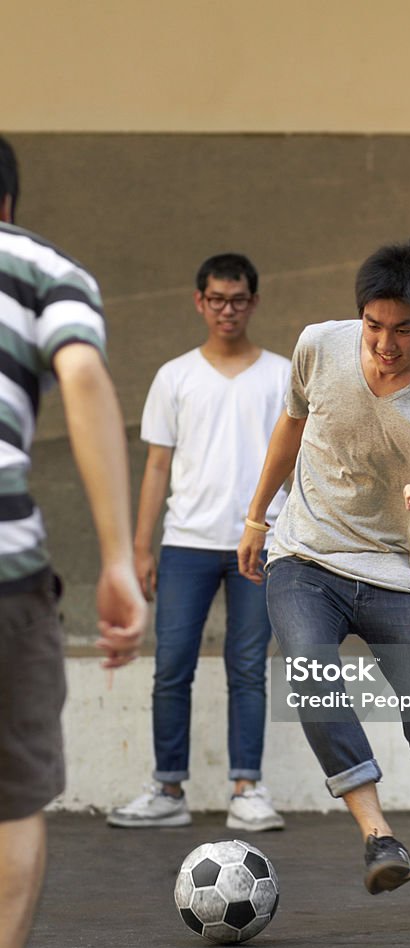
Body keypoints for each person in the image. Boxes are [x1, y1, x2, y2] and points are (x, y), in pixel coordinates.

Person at [238, 238, 410, 935]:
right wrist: (255, 518)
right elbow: (288, 430)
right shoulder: (318, 347)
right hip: (307, 556)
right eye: (373, 326)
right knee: (311, 675)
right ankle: (378, 837)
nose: (384, 344)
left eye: (403, 330)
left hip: (396, 576)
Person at [0, 136, 147, 948]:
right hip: (3, 576)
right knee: (11, 805)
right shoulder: (38, 268)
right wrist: (120, 561)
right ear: (8, 204)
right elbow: (84, 371)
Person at [107, 253, 290, 831]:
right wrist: (140, 549)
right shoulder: (175, 376)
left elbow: (299, 464)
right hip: (185, 542)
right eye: (216, 299)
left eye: (238, 300)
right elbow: (156, 467)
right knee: (171, 667)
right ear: (199, 302)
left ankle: (247, 789)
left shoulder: (283, 375)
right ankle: (167, 788)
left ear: (254, 302)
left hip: (259, 542)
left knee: (248, 666)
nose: (227, 310)